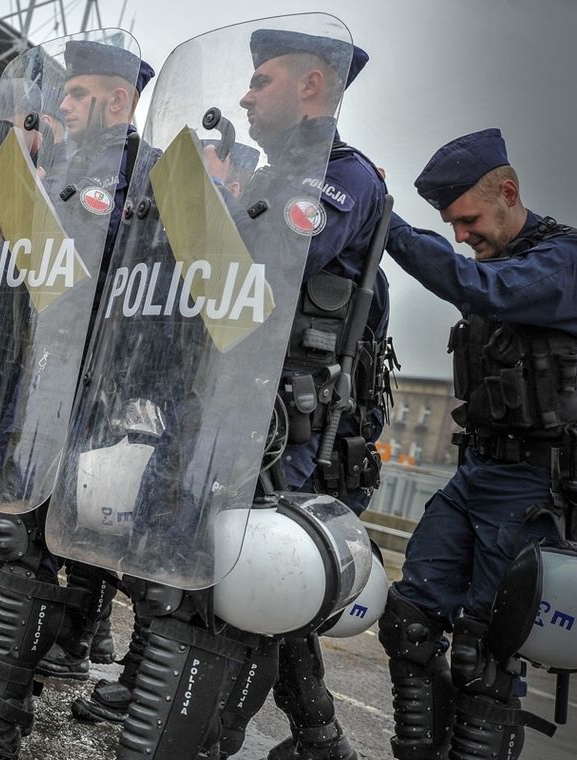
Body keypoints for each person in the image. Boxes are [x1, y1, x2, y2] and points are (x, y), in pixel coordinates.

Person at [106, 29, 391, 760]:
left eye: (262, 80)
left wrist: (204, 202)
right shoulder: (267, 177)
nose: (244, 93)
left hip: (279, 425)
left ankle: (204, 742)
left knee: (239, 595)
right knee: (186, 574)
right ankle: (291, 737)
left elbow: (287, 254)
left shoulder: (344, 176)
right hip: (226, 407)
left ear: (310, 87)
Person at [0, 39, 153, 760]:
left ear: (117, 100)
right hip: (24, 379)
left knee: (26, 541)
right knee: (5, 533)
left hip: (77, 392)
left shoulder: (139, 174)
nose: (64, 106)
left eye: (76, 95)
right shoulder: (66, 167)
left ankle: (0, 706)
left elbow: (102, 287)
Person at [377, 128, 571, 760]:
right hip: (476, 475)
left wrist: (389, 224)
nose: (462, 237)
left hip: (532, 489)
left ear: (509, 192)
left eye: (468, 220)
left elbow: (480, 288)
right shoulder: (504, 263)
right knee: (408, 618)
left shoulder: (561, 262)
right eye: (451, 226)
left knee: (482, 653)